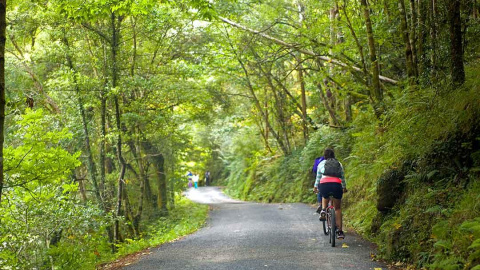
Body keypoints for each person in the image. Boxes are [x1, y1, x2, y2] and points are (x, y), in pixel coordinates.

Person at [313, 148, 347, 239]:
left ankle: (323, 210)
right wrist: (344, 187)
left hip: (324, 185)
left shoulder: (321, 164)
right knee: (338, 208)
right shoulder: (338, 164)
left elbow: (318, 178)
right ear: (334, 156)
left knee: (324, 195)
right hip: (336, 185)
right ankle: (339, 232)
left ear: (325, 156)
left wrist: (315, 187)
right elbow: (342, 177)